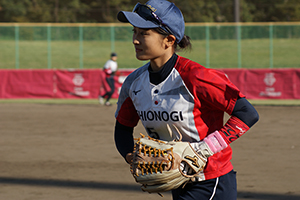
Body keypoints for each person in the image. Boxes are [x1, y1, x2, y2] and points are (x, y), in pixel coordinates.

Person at [114, 0, 259, 199]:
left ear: (169, 40)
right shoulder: (134, 83)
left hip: (211, 181)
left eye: (144, 33)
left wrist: (203, 150)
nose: (135, 40)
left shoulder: (197, 76)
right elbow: (122, 128)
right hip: (178, 179)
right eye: (134, 31)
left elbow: (247, 113)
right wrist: (132, 157)